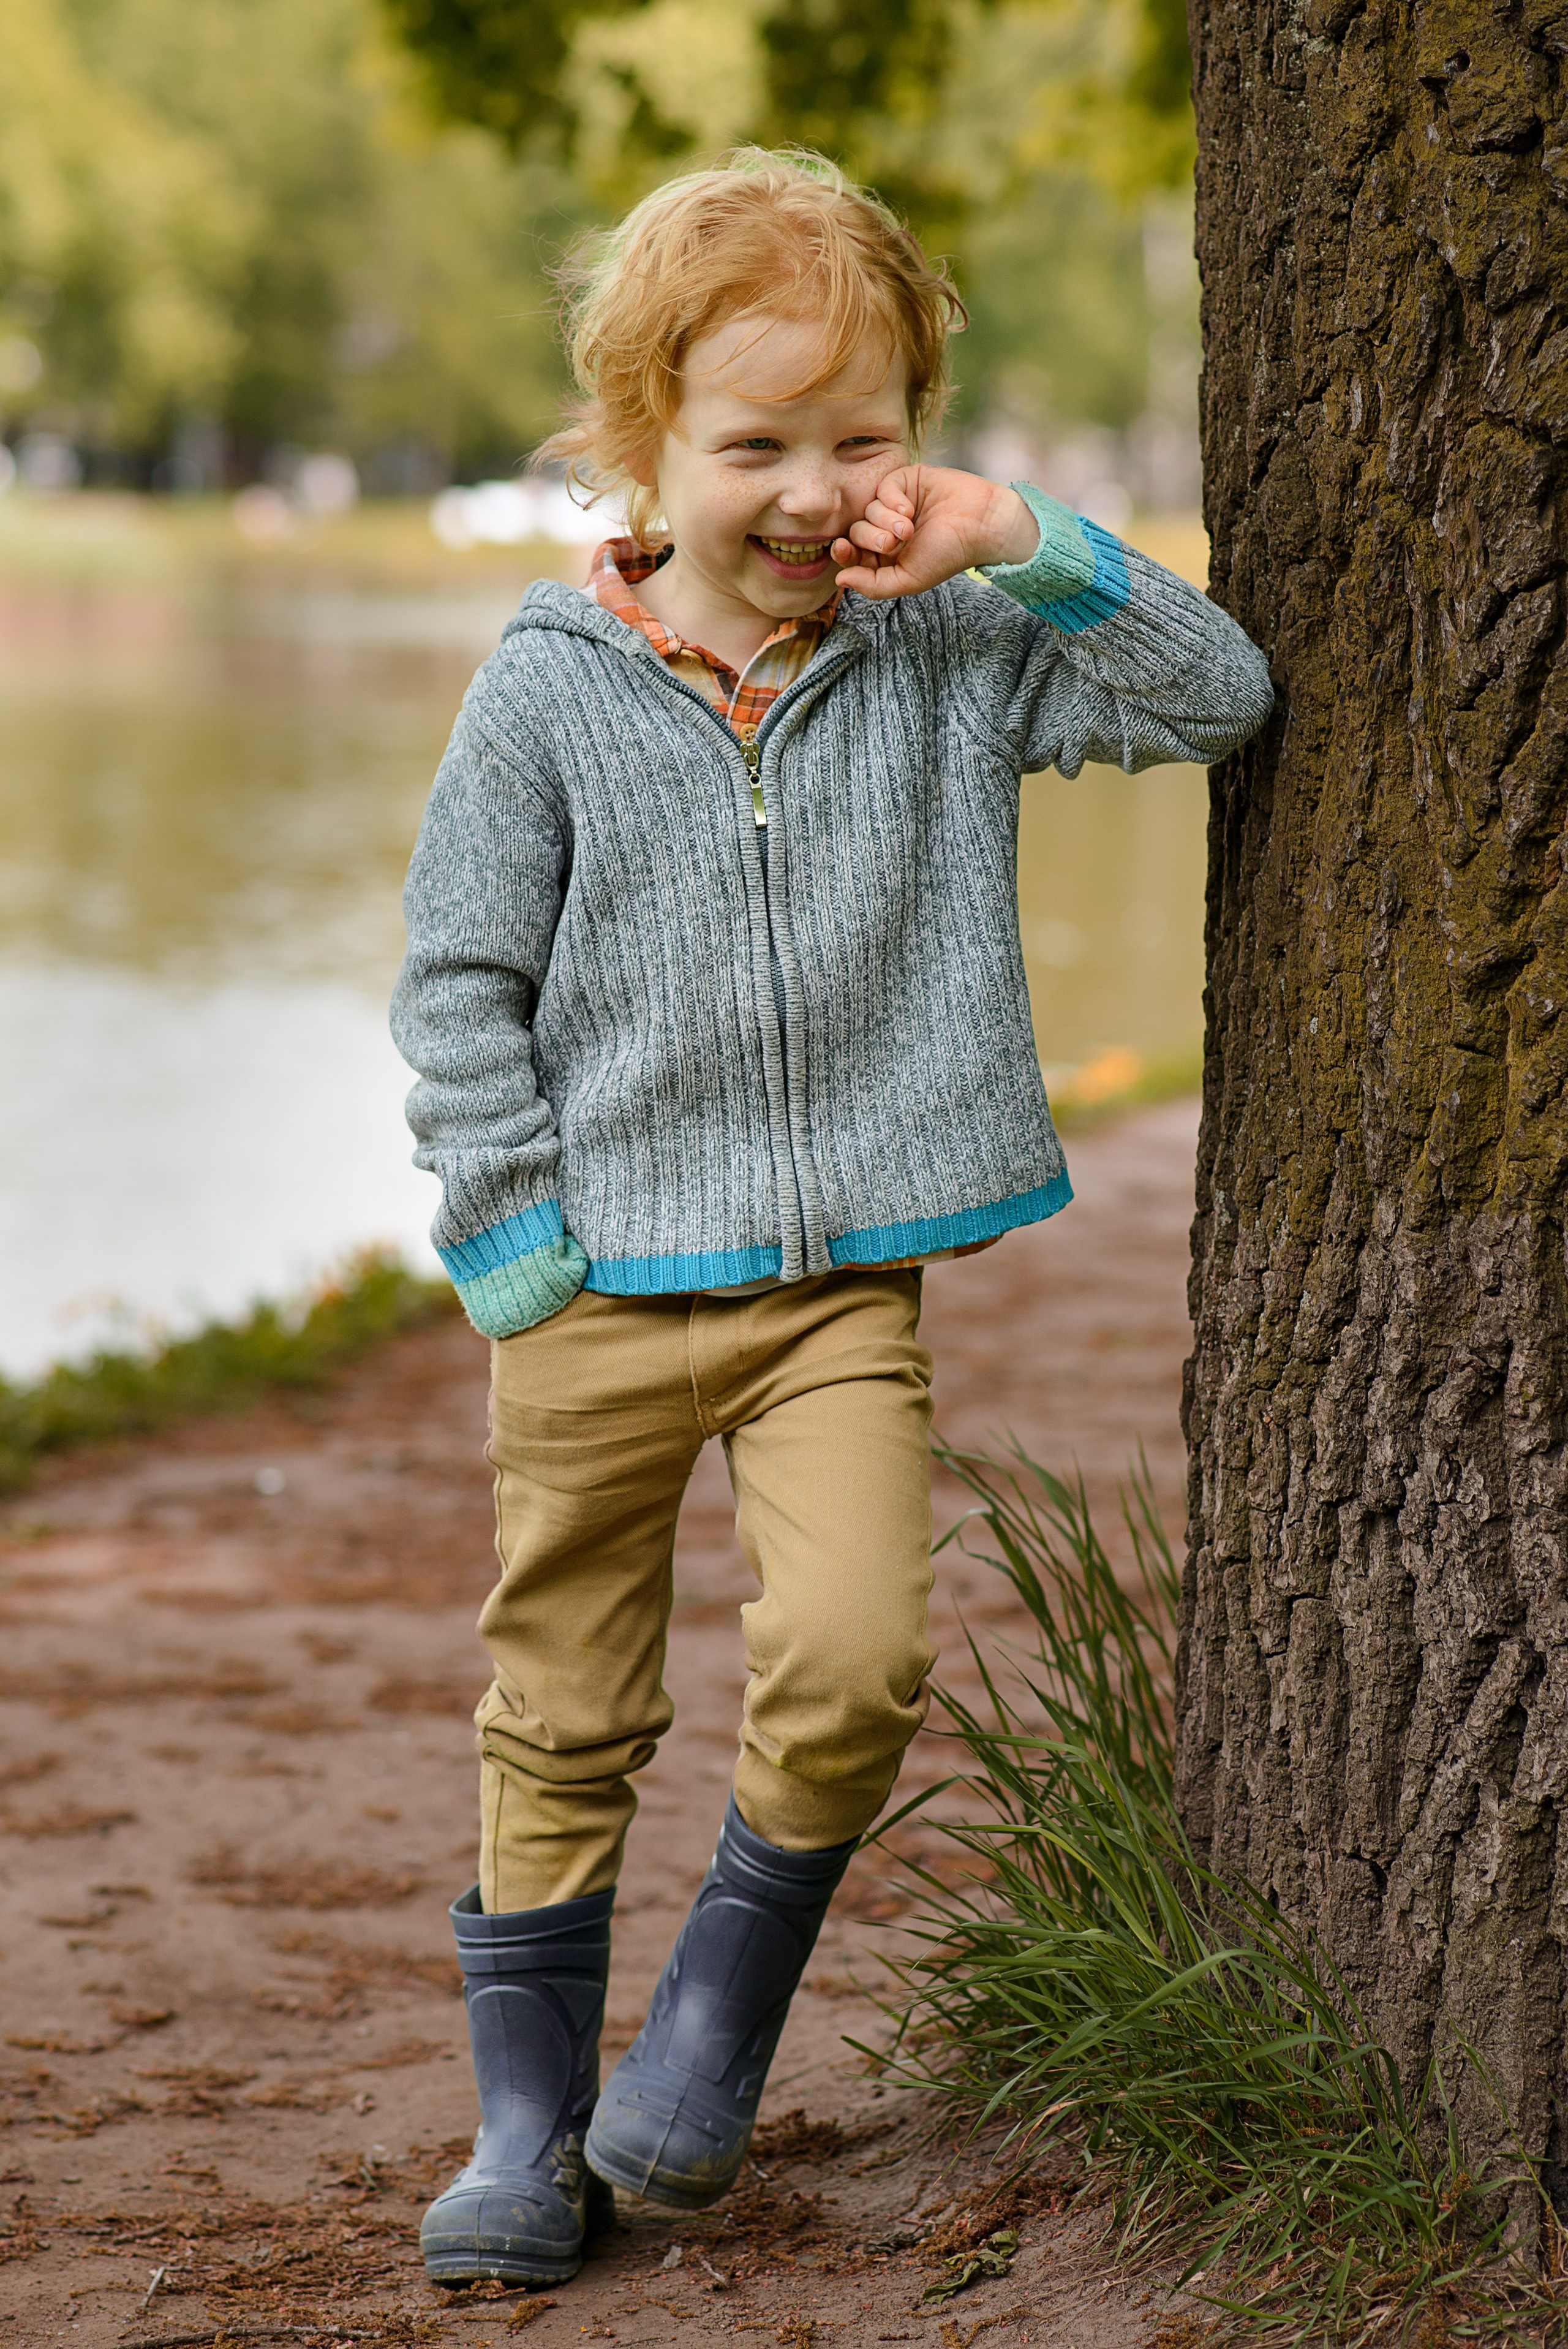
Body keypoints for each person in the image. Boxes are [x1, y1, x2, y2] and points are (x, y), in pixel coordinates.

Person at [390, 146, 1273, 2290]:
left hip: (831, 1294)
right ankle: (524, 2119)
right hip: (590, 1287)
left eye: (861, 440)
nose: (809, 489)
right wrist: (509, 1226)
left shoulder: (952, 644)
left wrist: (1020, 538)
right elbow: (455, 976)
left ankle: (711, 2015)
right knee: (567, 1698)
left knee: (861, 1650)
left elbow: (1217, 696)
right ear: (644, 442)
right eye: (754, 442)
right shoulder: (548, 687)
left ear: (915, 439)